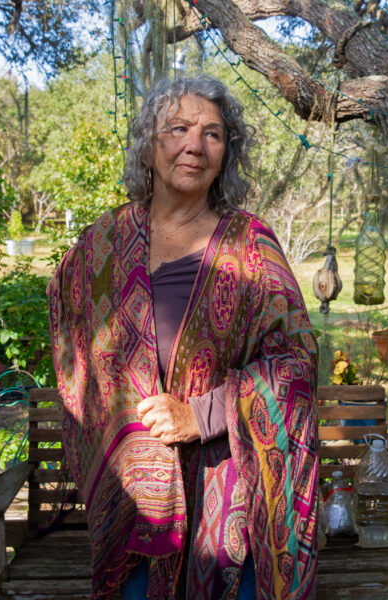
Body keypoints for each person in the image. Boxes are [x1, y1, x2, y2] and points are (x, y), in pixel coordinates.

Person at [47, 76, 319, 600]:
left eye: (212, 134)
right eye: (177, 129)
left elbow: (296, 363)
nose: (195, 144)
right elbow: (70, 326)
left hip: (230, 505)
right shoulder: (105, 240)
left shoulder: (250, 245)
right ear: (148, 146)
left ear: (226, 155)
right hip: (135, 511)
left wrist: (200, 416)